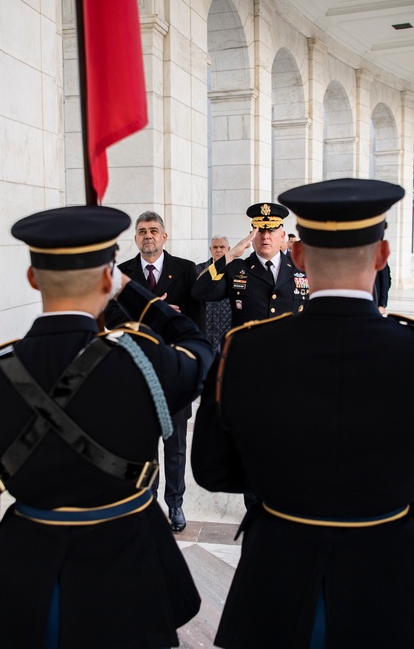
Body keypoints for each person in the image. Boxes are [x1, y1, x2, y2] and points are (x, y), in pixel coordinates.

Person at [191, 177, 414, 648]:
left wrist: (283, 491)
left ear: (298, 255)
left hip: (279, 562)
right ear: (382, 256)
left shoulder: (245, 352)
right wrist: (386, 509)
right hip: (395, 568)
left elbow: (213, 468)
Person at [0, 206, 213, 649]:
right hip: (133, 575)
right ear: (110, 279)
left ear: (32, 278)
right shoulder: (144, 360)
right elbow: (198, 347)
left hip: (28, 578)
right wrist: (138, 296)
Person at [104, 210, 202, 532]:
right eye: (142, 231)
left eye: (154, 230)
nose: (148, 235)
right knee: (144, 445)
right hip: (138, 373)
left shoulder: (186, 271)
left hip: (173, 371)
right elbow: (112, 317)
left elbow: (197, 322)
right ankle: (148, 504)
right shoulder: (122, 272)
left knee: (174, 448)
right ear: (135, 239)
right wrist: (155, 313)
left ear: (164, 236)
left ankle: (175, 504)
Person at [191, 202, 308, 330]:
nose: (265, 237)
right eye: (260, 231)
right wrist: (230, 255)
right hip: (248, 348)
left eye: (271, 230)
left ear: (282, 236)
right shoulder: (236, 269)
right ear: (251, 236)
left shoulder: (301, 267)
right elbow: (200, 292)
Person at [194, 235, 238, 353]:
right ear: (210, 250)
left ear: (229, 249)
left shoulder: (236, 271)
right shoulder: (198, 270)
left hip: (228, 328)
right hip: (205, 327)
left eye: (222, 247)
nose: (218, 250)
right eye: (215, 247)